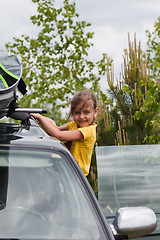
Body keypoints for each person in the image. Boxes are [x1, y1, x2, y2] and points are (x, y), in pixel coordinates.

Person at [31, 90, 98, 176]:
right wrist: (44, 119)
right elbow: (56, 129)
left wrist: (40, 118)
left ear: (95, 112)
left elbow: (59, 135)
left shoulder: (88, 131)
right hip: (67, 169)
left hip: (77, 174)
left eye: (86, 112)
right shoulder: (74, 125)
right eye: (77, 113)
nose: (81, 117)